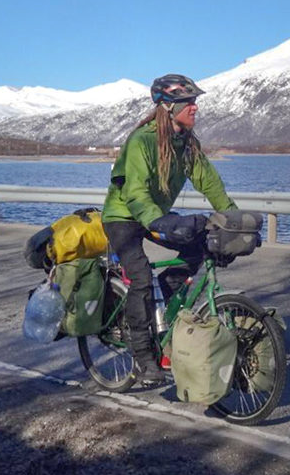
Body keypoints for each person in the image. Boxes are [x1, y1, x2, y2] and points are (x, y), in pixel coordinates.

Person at [101, 74, 237, 385]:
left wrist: (233, 219)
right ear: (168, 108)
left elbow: (210, 183)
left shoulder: (186, 144)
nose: (195, 107)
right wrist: (158, 221)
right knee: (140, 277)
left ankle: (163, 312)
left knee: (199, 247)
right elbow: (135, 192)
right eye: (188, 102)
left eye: (194, 101)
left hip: (154, 214)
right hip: (123, 217)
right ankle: (143, 357)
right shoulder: (142, 141)